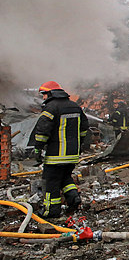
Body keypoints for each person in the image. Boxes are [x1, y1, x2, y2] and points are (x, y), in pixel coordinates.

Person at [27, 81, 89, 219]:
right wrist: (79, 144)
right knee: (65, 177)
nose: (43, 97)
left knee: (51, 182)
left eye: (44, 94)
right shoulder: (75, 106)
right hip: (72, 155)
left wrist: (38, 149)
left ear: (51, 93)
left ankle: (52, 210)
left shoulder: (51, 108)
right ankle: (74, 198)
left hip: (56, 155)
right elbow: (84, 127)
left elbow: (43, 131)